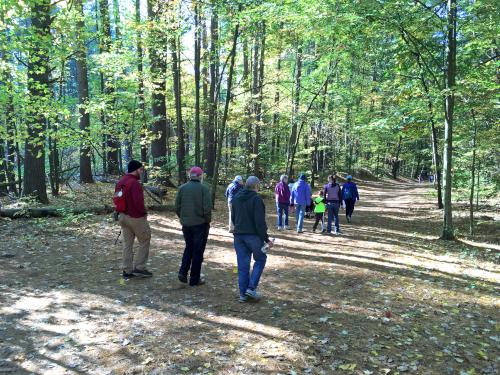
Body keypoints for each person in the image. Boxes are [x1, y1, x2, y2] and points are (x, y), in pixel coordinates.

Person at [231, 176, 273, 302]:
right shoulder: (256, 199)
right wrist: (266, 239)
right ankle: (251, 288)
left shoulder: (236, 198)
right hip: (253, 236)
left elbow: (233, 218)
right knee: (260, 259)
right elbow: (260, 222)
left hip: (239, 236)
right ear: (256, 186)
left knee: (242, 265)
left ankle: (243, 294)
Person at [175, 166, 212, 286]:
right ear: (200, 176)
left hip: (186, 225)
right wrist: (207, 221)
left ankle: (182, 272)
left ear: (190, 176)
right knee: (198, 251)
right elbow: (207, 209)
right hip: (200, 225)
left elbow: (177, 206)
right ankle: (194, 279)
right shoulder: (204, 189)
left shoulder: (182, 188)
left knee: (189, 248)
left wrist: (183, 218)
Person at [117, 160, 153, 279]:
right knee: (145, 240)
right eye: (141, 169)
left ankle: (127, 270)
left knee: (127, 244)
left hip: (122, 216)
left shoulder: (121, 181)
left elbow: (116, 198)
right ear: (136, 169)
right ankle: (139, 268)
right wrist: (143, 213)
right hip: (135, 217)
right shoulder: (135, 183)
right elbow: (138, 202)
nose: (142, 171)